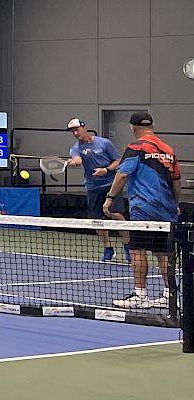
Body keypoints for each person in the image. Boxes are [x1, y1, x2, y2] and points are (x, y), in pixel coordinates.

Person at [105, 112, 179, 309]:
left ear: (133, 127)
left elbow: (122, 174)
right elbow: (176, 182)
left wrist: (110, 198)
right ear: (152, 126)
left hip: (143, 210)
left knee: (137, 250)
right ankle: (169, 296)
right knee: (164, 254)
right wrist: (175, 204)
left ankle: (140, 295)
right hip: (167, 211)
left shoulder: (136, 148)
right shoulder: (168, 150)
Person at [65, 118, 126, 262]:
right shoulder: (75, 148)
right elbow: (78, 160)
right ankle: (108, 249)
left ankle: (128, 246)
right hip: (93, 187)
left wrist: (106, 170)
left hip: (111, 184)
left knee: (116, 214)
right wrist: (73, 162)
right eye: (72, 131)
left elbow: (117, 161)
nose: (75, 133)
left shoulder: (104, 143)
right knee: (96, 220)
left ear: (84, 127)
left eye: (77, 129)